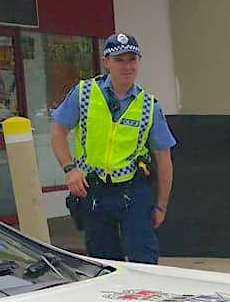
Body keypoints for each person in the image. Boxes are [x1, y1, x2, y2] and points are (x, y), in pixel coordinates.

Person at [48, 32, 174, 263]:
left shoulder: (149, 106)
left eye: (132, 60)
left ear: (139, 62)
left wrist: (162, 206)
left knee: (144, 261)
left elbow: (164, 158)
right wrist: (70, 169)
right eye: (119, 60)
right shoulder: (85, 93)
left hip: (132, 191)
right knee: (105, 263)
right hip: (94, 190)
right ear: (106, 62)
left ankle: (145, 299)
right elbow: (57, 132)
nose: (127, 66)